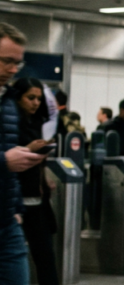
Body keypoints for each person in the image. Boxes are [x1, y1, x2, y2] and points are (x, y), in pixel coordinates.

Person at [0, 23, 47, 285]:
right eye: (7, 61)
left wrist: (16, 208)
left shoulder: (8, 102)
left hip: (7, 222)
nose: (13, 69)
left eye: (17, 62)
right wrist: (5, 160)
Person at [5, 78, 58, 285]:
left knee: (45, 254)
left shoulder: (37, 123)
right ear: (18, 98)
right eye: (30, 98)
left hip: (37, 199)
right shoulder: (10, 124)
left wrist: (45, 180)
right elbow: (9, 159)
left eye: (38, 98)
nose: (35, 103)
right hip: (16, 201)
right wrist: (29, 149)